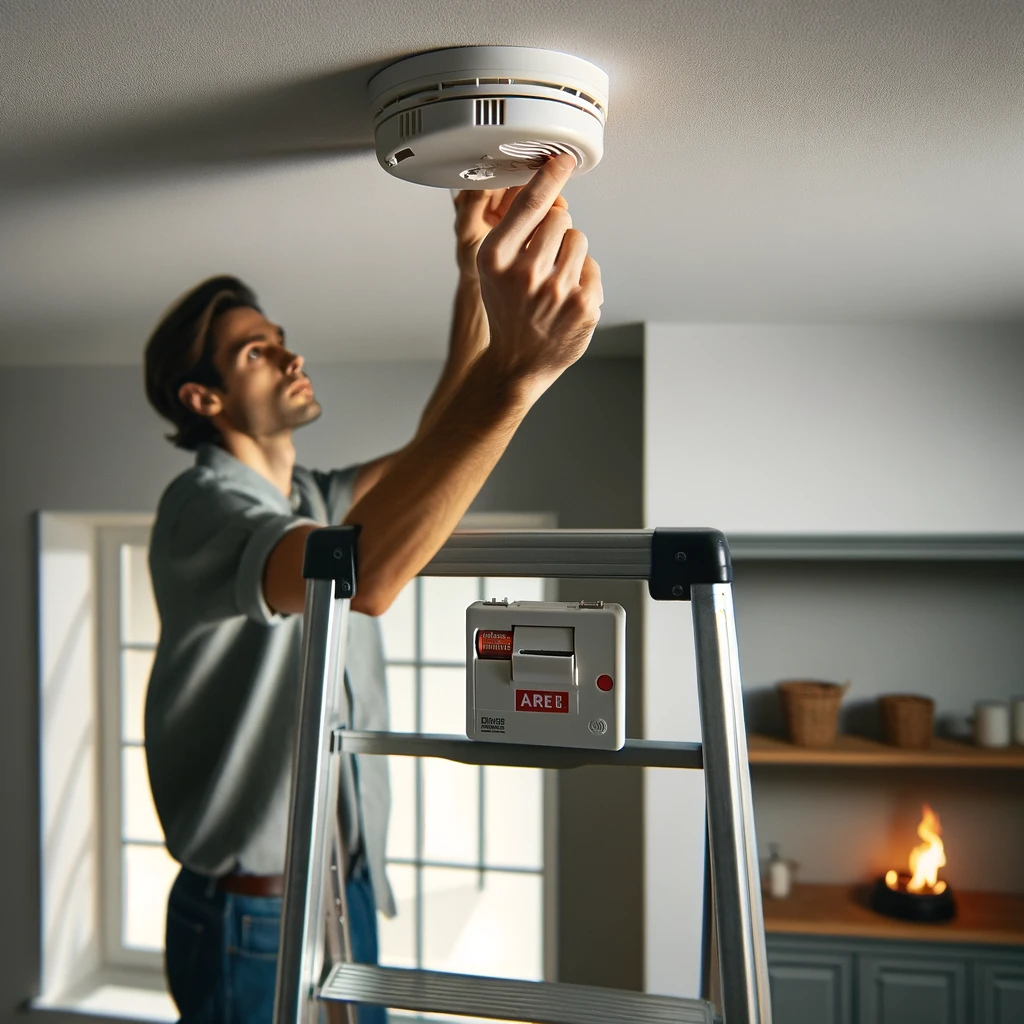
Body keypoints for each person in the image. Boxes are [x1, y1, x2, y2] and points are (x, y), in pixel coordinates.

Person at [141, 153, 601, 1024]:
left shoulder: (308, 495)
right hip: (252, 910)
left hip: (342, 886)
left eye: (279, 336)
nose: (288, 353)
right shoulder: (201, 508)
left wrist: (473, 271)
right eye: (255, 349)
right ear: (203, 398)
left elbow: (440, 437)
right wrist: (521, 376)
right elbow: (366, 577)